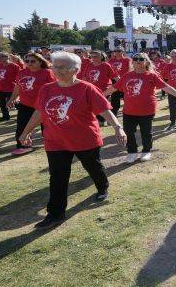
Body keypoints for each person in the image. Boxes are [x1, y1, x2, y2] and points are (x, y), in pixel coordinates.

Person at [18, 51, 127, 229]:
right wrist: (25, 132)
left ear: (75, 69)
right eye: (55, 66)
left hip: (85, 139)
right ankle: (55, 214)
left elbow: (104, 110)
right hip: (55, 141)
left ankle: (102, 186)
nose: (57, 70)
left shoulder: (86, 88)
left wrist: (117, 127)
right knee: (58, 177)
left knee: (93, 167)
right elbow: (39, 112)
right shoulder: (47, 89)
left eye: (62, 67)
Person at [105, 53, 176, 163]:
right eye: (135, 59)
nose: (138, 61)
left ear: (146, 62)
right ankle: (132, 152)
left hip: (146, 110)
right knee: (128, 131)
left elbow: (167, 87)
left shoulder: (152, 75)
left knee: (145, 132)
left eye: (141, 59)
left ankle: (146, 151)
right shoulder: (127, 75)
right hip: (129, 110)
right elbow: (113, 88)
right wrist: (100, 95)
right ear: (132, 62)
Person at [7, 52, 56, 155]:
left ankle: (54, 143)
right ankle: (22, 146)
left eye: (33, 61)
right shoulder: (22, 72)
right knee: (22, 125)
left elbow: (54, 88)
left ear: (40, 62)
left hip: (43, 105)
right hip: (25, 104)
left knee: (47, 127)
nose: (29, 63)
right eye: (27, 61)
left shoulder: (47, 73)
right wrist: (12, 99)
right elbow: (18, 87)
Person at [0, 52, 23, 121]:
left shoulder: (14, 66)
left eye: (0, 57)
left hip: (11, 88)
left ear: (6, 57)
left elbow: (21, 76)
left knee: (13, 102)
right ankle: (5, 116)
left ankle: (25, 113)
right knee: (2, 103)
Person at [107, 47, 131, 116]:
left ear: (123, 51)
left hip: (125, 82)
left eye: (119, 51)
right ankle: (114, 114)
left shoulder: (127, 60)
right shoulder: (110, 61)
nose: (117, 52)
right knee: (114, 99)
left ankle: (129, 113)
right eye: (115, 51)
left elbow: (130, 70)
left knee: (127, 98)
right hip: (115, 82)